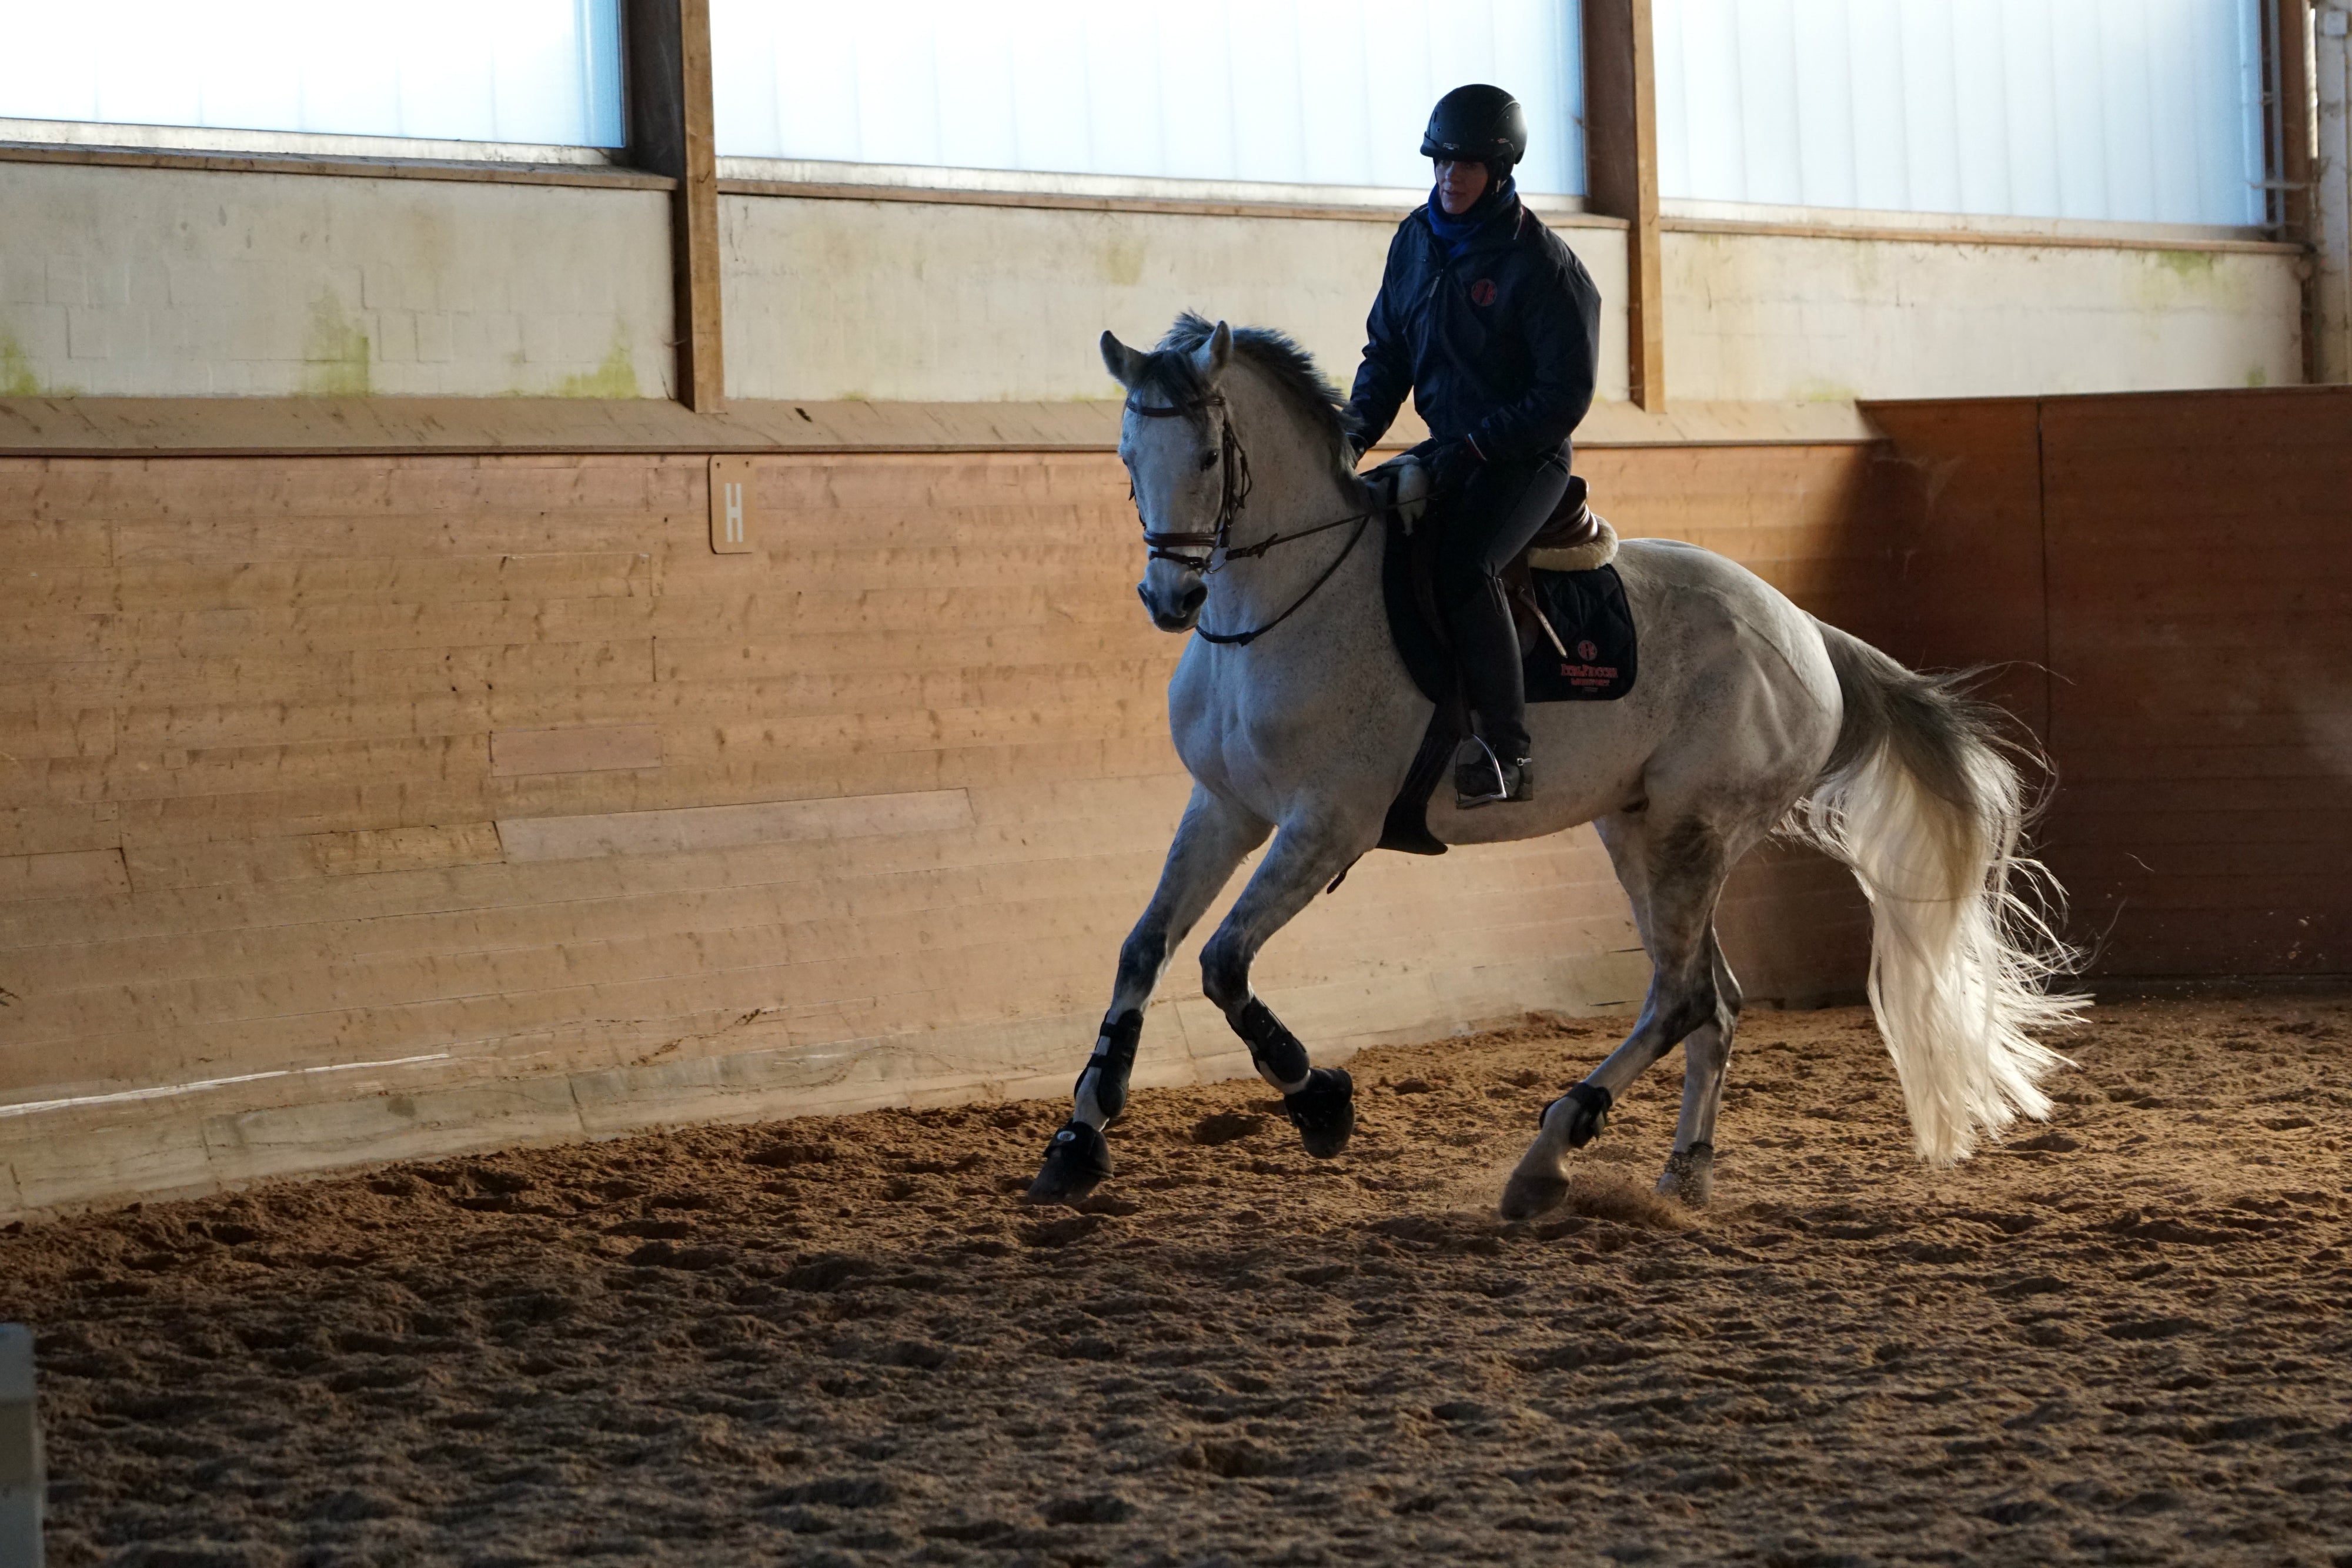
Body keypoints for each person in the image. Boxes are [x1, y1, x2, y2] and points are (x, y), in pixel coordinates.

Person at [1342, 83, 1603, 807]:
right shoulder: (1414, 241)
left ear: (1501, 169)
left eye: (1466, 166)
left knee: (1464, 565)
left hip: (1524, 457)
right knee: (1361, 526)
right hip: (1447, 446)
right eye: (1439, 163)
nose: (1448, 178)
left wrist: (1481, 448)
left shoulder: (1545, 267)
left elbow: (1563, 397)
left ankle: (1505, 752)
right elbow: (1387, 353)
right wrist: (1351, 438)